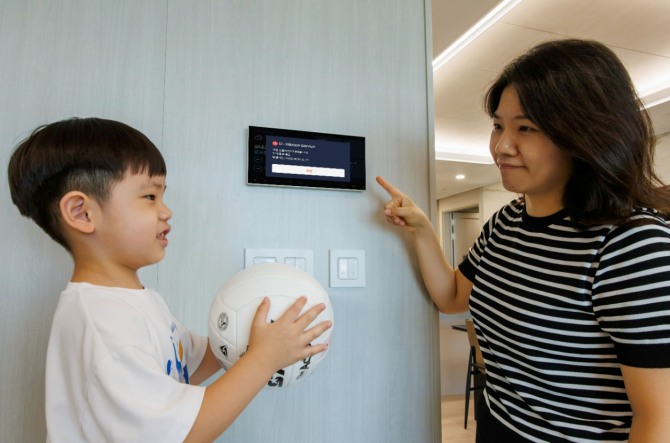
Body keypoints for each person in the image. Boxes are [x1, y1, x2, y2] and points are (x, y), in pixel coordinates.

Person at [378, 39, 670, 442]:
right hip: (497, 424)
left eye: (526, 128)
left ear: (584, 134)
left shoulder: (634, 246)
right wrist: (423, 229)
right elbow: (452, 296)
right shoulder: (505, 223)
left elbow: (659, 420)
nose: (502, 146)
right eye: (498, 125)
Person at [7, 117, 332, 442]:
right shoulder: (101, 321)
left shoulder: (136, 300)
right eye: (150, 196)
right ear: (82, 212)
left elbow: (192, 366)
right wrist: (264, 358)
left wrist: (253, 327)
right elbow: (186, 434)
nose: (166, 212)